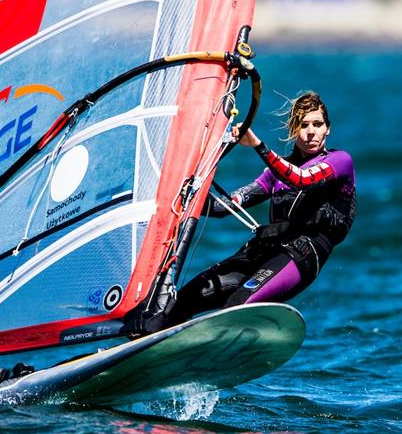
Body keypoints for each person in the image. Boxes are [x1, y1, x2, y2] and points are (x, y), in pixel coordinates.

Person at [142, 91, 355, 333]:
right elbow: (224, 207)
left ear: (328, 129)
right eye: (303, 125)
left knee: (237, 304)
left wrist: (257, 145)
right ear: (293, 130)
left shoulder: (339, 161)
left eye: (317, 125)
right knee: (186, 297)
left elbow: (301, 179)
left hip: (301, 255)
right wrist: (178, 190)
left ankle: (216, 352)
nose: (311, 132)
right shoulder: (273, 175)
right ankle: (143, 341)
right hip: (264, 251)